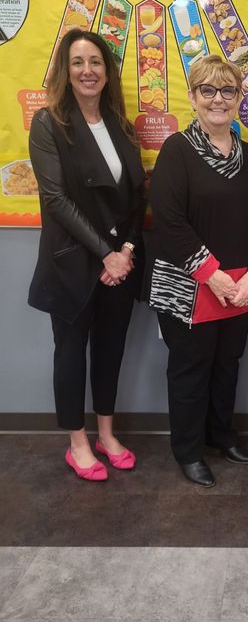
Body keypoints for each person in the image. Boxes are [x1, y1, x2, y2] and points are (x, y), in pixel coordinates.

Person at [28, 29, 146, 481]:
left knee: (111, 350)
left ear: (107, 70)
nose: (87, 70)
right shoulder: (49, 123)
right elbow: (56, 199)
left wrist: (127, 250)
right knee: (71, 352)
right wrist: (106, 256)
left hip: (121, 261)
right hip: (72, 263)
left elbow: (136, 197)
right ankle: (78, 443)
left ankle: (107, 434)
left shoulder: (120, 123)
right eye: (77, 62)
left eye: (95, 61)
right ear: (65, 70)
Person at [148, 55, 248, 487]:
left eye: (228, 91)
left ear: (239, 97)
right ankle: (188, 449)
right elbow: (169, 221)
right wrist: (213, 274)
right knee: (191, 366)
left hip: (241, 287)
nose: (218, 100)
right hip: (190, 285)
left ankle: (221, 434)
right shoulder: (176, 151)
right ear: (193, 96)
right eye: (208, 90)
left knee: (227, 364)